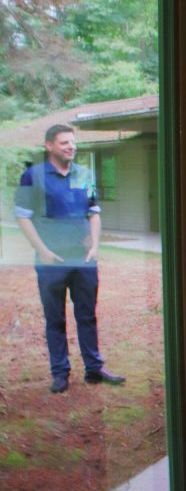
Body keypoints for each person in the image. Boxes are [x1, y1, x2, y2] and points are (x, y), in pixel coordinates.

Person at [15, 123, 125, 394]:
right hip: (51, 261)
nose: (71, 147)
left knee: (87, 315)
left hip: (83, 260)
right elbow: (23, 216)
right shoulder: (33, 176)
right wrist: (42, 250)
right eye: (64, 142)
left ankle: (94, 369)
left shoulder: (84, 174)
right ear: (49, 145)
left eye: (73, 142)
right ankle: (60, 373)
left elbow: (94, 212)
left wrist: (95, 247)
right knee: (55, 318)